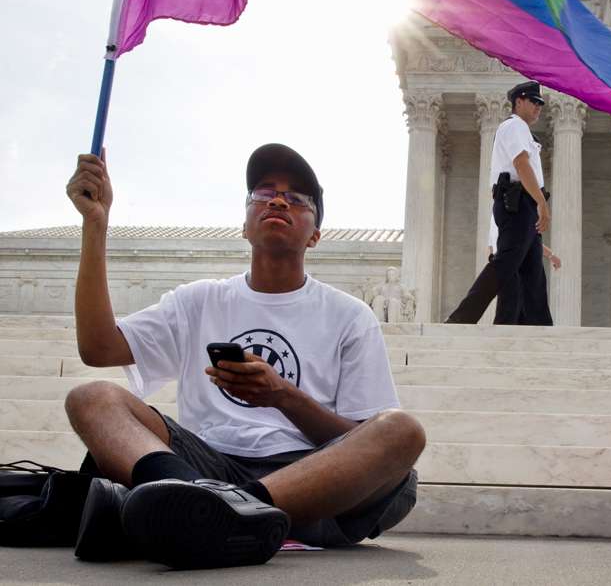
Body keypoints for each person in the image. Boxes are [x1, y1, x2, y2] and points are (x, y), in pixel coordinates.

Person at [62, 144, 425, 569]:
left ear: (314, 235)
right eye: (263, 193)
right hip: (202, 465)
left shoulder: (349, 315)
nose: (276, 200)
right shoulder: (199, 300)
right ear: (245, 225)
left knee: (402, 431)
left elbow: (356, 438)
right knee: (92, 398)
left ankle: (222, 512)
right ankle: (201, 505)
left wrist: (283, 397)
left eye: (296, 199)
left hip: (308, 478)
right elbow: (98, 347)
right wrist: (95, 224)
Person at [445, 81, 553, 325]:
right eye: (534, 102)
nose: (538, 108)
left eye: (540, 104)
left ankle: (538, 328)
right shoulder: (514, 126)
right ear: (519, 102)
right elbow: (521, 164)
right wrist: (541, 204)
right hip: (517, 203)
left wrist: (537, 203)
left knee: (532, 275)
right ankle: (461, 318)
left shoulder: (523, 130)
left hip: (526, 205)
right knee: (505, 264)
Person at [486, 216, 561, 324]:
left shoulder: (496, 213)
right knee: (517, 305)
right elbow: (528, 240)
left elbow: (491, 246)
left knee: (512, 308)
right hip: (514, 261)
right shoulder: (507, 211)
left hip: (507, 261)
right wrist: (552, 255)